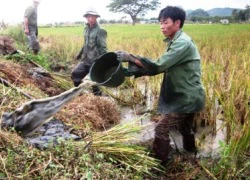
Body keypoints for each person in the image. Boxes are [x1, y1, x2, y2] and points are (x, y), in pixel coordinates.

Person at [116, 6, 205, 165]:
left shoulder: (182, 43)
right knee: (185, 128)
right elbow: (160, 67)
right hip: (190, 95)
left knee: (160, 129)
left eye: (165, 22)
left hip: (186, 98)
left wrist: (132, 58)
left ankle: (161, 164)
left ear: (177, 23)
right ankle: (191, 157)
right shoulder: (176, 41)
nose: (161, 26)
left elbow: (158, 66)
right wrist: (131, 71)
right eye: (160, 23)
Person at [71, 8, 107, 96]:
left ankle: (98, 98)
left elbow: (103, 49)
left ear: (96, 18)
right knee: (75, 74)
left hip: (94, 62)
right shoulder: (86, 28)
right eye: (88, 17)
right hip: (85, 60)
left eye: (92, 17)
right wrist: (79, 54)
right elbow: (85, 44)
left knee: (93, 82)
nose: (90, 19)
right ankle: (80, 95)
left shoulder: (100, 31)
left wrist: (102, 63)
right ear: (86, 18)